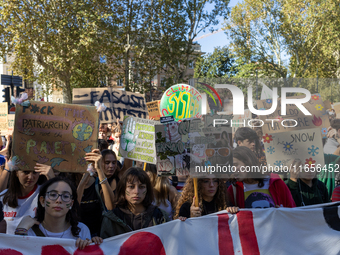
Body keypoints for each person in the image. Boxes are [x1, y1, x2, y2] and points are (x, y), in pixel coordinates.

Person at [15, 177, 102, 250]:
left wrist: (90, 247)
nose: (59, 200)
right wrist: (21, 231)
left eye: (65, 196)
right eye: (53, 195)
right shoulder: (28, 230)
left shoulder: (82, 230)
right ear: (42, 201)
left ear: (71, 204)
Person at [100, 167, 168, 238]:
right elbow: (105, 246)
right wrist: (96, 241)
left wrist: (179, 224)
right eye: (131, 186)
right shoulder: (112, 218)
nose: (137, 192)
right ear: (123, 189)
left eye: (141, 187)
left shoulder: (160, 217)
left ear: (147, 190)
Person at [228, 146, 296, 208]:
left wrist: (282, 212)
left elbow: (292, 211)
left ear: (248, 163)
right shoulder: (233, 190)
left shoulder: (276, 183)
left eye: (235, 165)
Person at [0, 161, 55, 234]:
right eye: (26, 172)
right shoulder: (3, 197)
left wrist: (52, 179)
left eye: (35, 172)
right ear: (16, 173)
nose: (30, 177)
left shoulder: (45, 194)